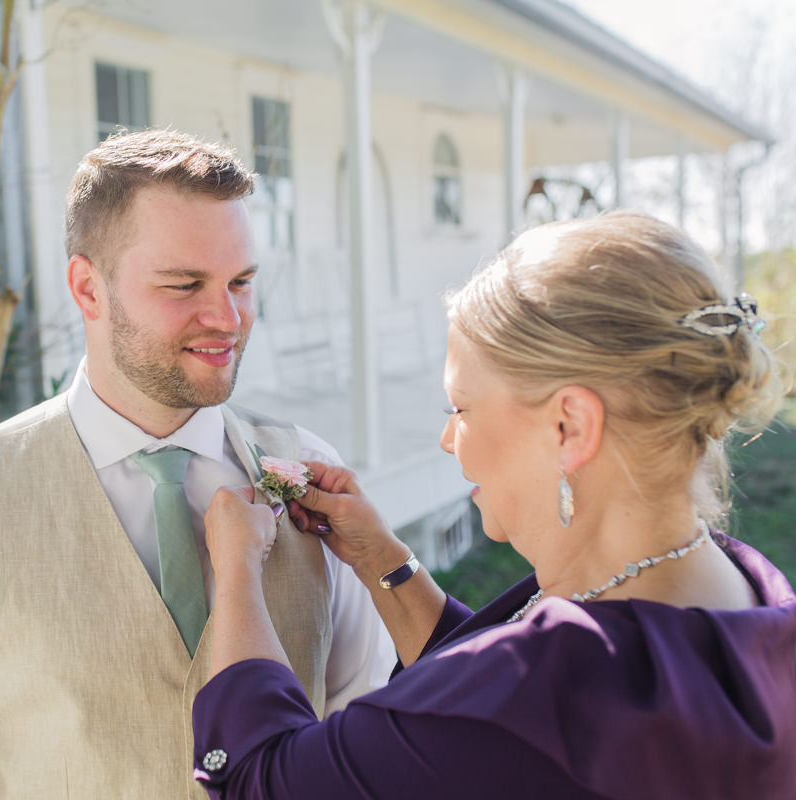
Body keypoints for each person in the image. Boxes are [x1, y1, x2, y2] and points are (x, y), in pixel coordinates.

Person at [0, 129, 393, 799]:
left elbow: (360, 743)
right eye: (184, 284)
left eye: (242, 282)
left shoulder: (312, 474)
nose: (226, 317)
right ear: (88, 289)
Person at [193, 212, 796, 799]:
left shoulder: (539, 696)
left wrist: (238, 569)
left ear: (569, 426)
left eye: (461, 408)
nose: (448, 438)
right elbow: (480, 719)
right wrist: (386, 563)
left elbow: (257, 778)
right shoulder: (742, 585)